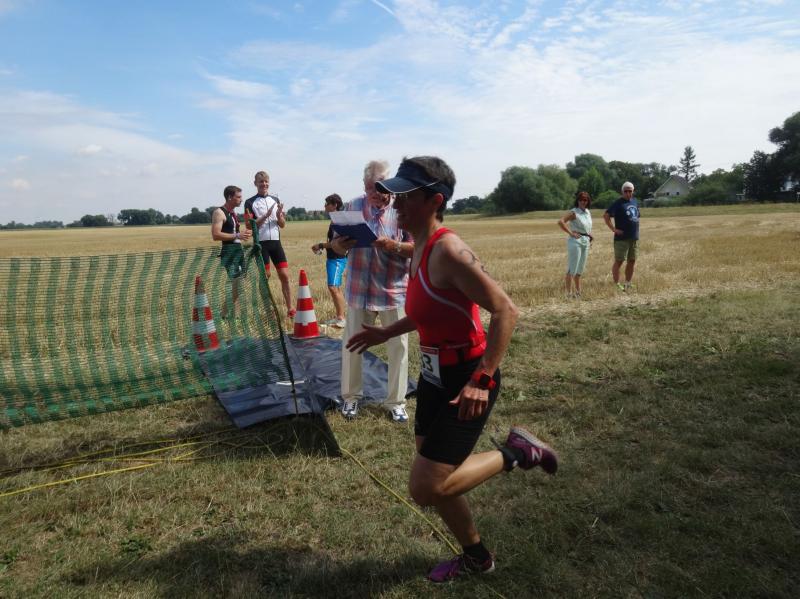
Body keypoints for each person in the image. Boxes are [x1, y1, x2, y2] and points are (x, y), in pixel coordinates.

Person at [346, 156, 558, 583]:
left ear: (435, 201)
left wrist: (483, 379)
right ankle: (477, 557)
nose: (396, 203)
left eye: (406, 196)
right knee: (439, 475)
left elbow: (506, 310)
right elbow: (428, 309)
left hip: (467, 377)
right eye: (395, 195)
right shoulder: (419, 247)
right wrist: (387, 332)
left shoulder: (449, 250)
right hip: (433, 374)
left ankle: (518, 452)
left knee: (426, 487)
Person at [330, 160, 413, 423]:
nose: (373, 194)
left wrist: (392, 246)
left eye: (379, 188)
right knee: (352, 345)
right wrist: (341, 245)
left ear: (390, 186)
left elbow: (418, 247)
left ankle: (396, 402)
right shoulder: (353, 206)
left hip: (393, 290)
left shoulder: (404, 208)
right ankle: (351, 397)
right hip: (358, 289)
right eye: (369, 188)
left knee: (398, 347)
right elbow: (336, 246)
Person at [244, 171, 294, 317]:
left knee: (284, 275)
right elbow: (248, 226)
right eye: (261, 181)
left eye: (266, 181)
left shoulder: (275, 199)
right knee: (265, 277)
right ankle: (268, 310)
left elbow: (282, 224)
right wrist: (265, 216)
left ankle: (290, 308)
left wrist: (279, 216)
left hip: (276, 243)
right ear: (255, 183)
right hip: (261, 244)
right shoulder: (249, 202)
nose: (264, 184)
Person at [211, 185, 253, 317]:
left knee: (238, 284)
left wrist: (243, 234)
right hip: (229, 251)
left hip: (238, 250)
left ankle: (235, 315)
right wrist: (237, 235)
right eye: (238, 197)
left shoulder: (232, 212)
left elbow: (234, 233)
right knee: (237, 283)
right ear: (230, 197)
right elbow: (215, 235)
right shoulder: (219, 212)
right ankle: (223, 314)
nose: (241, 199)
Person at [311, 193, 347, 328]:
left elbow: (337, 243)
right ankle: (339, 316)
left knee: (333, 287)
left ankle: (341, 318)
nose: (324, 206)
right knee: (335, 287)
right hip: (333, 258)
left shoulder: (338, 221)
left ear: (335, 205)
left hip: (337, 259)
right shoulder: (334, 220)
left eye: (327, 204)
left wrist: (320, 245)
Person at [603, 181, 640, 291]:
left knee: (632, 260)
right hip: (621, 239)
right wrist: (614, 229)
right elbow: (606, 215)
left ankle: (628, 283)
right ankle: (617, 284)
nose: (628, 193)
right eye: (626, 191)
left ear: (633, 191)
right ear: (622, 192)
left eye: (630, 191)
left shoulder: (634, 202)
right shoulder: (618, 203)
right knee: (619, 261)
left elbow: (636, 216)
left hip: (634, 237)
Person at [558, 191, 593, 298]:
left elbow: (587, 227)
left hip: (586, 241)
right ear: (577, 201)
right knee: (572, 268)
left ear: (588, 201)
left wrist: (589, 236)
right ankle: (568, 294)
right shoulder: (574, 212)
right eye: (581, 200)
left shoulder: (588, 212)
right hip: (576, 242)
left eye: (585, 200)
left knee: (580, 269)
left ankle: (578, 292)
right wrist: (571, 233)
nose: (583, 202)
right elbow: (561, 222)